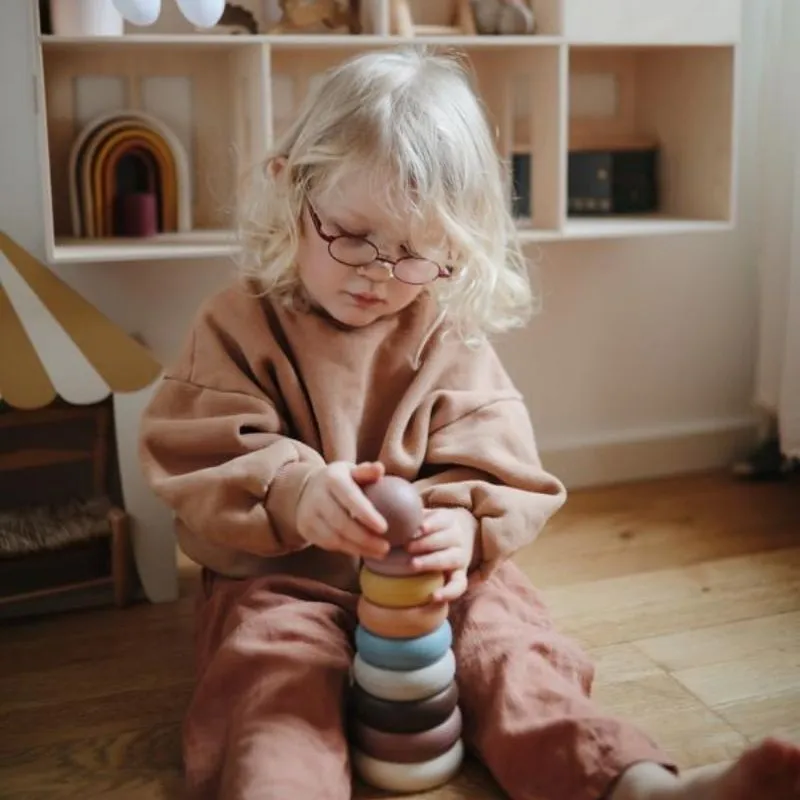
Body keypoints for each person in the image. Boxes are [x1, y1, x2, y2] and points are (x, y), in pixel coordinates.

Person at [138, 47, 800, 800]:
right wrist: (296, 493)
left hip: (436, 586)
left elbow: (500, 464)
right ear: (292, 189)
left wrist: (464, 526)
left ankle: (639, 785)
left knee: (514, 650)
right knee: (270, 681)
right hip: (283, 581)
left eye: (417, 254)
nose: (379, 275)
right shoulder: (236, 324)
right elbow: (196, 449)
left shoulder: (444, 335)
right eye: (352, 235)